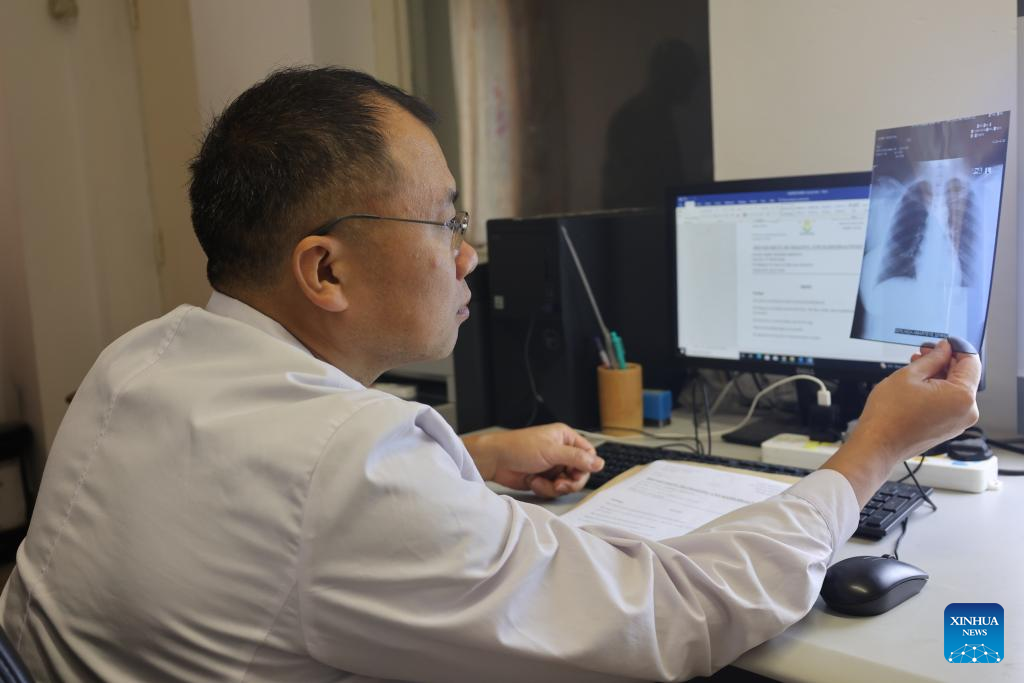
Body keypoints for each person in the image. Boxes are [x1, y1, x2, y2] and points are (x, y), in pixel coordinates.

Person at [0, 67, 980, 682]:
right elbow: (661, 617)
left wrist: (464, 455)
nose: (469, 254)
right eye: (445, 220)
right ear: (325, 270)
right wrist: (867, 454)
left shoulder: (141, 356)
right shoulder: (346, 466)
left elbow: (256, 503)